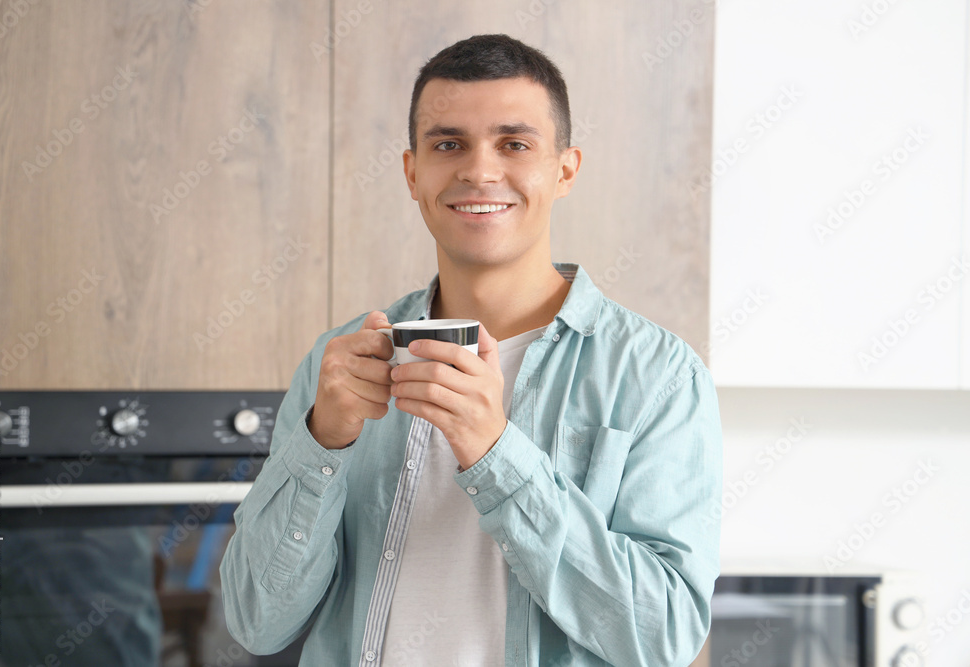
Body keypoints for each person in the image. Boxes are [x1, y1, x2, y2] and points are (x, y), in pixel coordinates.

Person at [220, 33, 722, 666]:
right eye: (448, 144)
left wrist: (494, 452)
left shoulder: (658, 375)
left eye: (515, 144)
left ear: (564, 170)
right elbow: (255, 621)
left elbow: (665, 638)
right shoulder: (342, 361)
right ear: (412, 172)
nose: (480, 170)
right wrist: (323, 442)